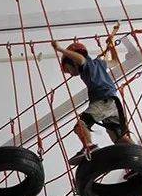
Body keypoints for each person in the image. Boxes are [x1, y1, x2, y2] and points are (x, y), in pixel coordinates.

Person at [52, 25, 133, 166]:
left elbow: (80, 59)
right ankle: (140, 156)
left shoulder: (86, 64)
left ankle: (89, 146)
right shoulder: (100, 63)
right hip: (114, 104)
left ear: (73, 62)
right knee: (118, 137)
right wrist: (111, 46)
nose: (70, 73)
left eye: (68, 69)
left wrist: (60, 49)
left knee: (80, 125)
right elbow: (115, 61)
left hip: (104, 101)